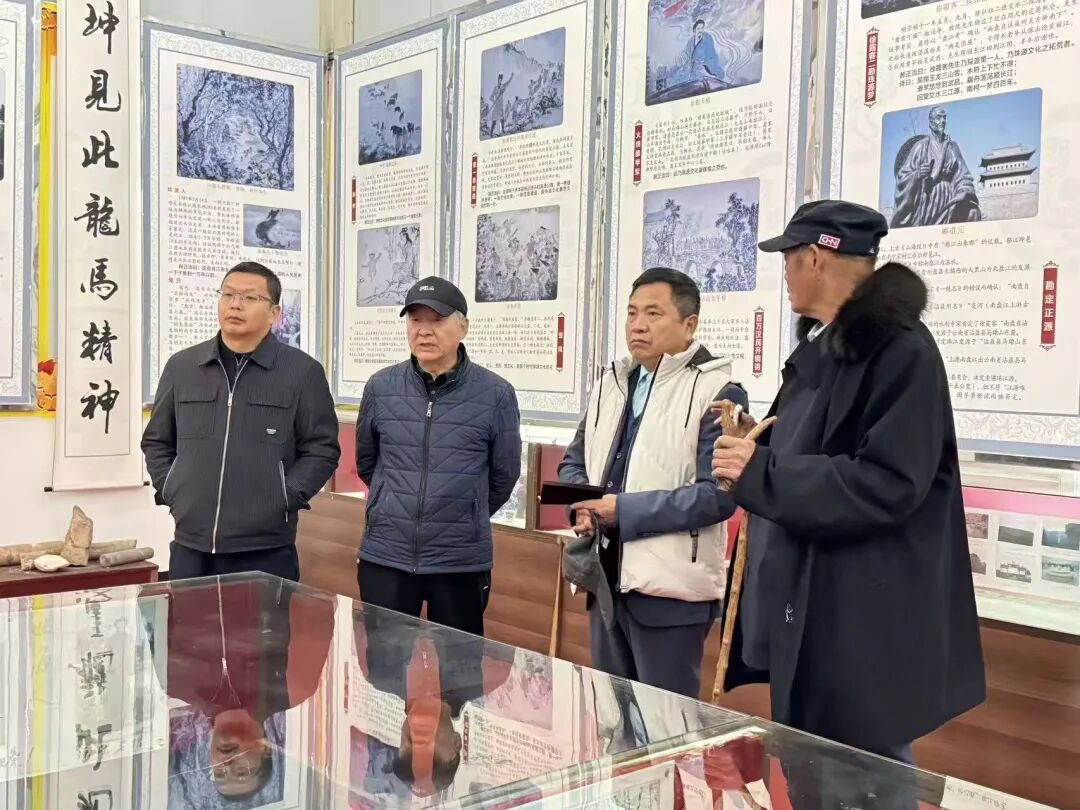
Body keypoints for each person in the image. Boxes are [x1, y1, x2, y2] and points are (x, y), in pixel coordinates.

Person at [711, 200, 985, 770]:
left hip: (859, 624)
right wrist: (753, 442)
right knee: (814, 772)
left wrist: (761, 471)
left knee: (860, 778)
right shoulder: (827, 347)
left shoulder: (901, 350)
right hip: (810, 610)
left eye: (788, 259)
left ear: (815, 257)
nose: (785, 273)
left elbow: (889, 481)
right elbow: (810, 448)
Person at [558, 267, 748, 698]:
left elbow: (717, 497)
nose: (638, 325)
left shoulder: (718, 392)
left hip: (671, 593)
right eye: (632, 313)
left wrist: (621, 511)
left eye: (653, 314)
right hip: (605, 579)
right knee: (612, 719)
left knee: (666, 723)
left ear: (689, 325)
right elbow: (574, 460)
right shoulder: (612, 383)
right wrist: (583, 504)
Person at [142, 261, 341, 582]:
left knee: (263, 619)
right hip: (191, 544)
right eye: (228, 294)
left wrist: (283, 498)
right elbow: (157, 441)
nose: (235, 304)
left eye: (249, 297)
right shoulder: (183, 367)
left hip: (266, 548)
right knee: (187, 617)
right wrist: (172, 489)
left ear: (274, 313)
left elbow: (322, 450)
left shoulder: (301, 372)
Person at [355, 276, 521, 635]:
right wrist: (392, 503)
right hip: (387, 554)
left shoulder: (496, 394)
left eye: (437, 320)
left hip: (459, 561)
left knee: (460, 666)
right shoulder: (381, 387)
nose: (424, 331)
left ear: (463, 327)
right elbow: (367, 462)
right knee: (384, 663)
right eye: (416, 320)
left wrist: (464, 514)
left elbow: (504, 476)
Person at [143, 575, 335, 803]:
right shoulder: (295, 687)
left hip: (194, 560)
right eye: (242, 772)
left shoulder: (174, 682)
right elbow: (315, 597)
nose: (227, 765)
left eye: (219, 773)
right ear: (266, 750)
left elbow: (150, 601)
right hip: (261, 560)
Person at [892, 105, 982, 228]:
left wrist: (963, 191)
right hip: (927, 200)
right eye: (938, 117)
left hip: (951, 199)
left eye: (944, 118)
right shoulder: (921, 146)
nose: (943, 121)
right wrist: (917, 173)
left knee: (972, 212)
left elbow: (963, 175)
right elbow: (903, 176)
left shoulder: (952, 147)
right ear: (930, 122)